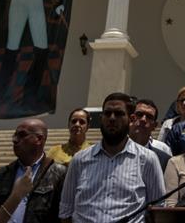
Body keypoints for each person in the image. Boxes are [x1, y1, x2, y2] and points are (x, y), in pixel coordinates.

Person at [59, 92, 164, 223]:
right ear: (102, 117)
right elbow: (66, 211)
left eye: (119, 114)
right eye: (107, 113)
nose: (112, 118)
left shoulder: (148, 159)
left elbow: (157, 210)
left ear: (131, 119)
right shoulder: (79, 160)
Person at [0, 118, 67, 223]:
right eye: (15, 135)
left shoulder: (59, 174)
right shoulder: (2, 174)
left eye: (22, 135)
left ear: (39, 139)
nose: (15, 140)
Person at [129, 99, 171, 172]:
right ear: (131, 119)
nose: (143, 119)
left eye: (149, 117)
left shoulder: (163, 159)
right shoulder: (113, 150)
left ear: (154, 126)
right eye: (139, 114)